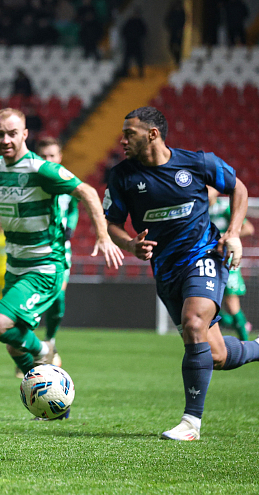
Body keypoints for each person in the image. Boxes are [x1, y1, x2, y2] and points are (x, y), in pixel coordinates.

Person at [104, 106, 259, 441]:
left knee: (193, 323)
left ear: (152, 134)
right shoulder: (122, 177)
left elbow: (239, 188)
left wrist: (233, 233)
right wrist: (130, 245)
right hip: (166, 270)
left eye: (129, 133)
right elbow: (112, 224)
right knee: (215, 355)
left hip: (204, 255)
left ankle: (191, 423)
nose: (123, 140)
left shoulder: (197, 163)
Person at [0, 108, 123, 396]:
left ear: (25, 134)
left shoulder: (42, 169)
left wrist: (103, 236)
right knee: (14, 345)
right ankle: (50, 399)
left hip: (45, 266)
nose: (6, 140)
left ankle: (45, 349)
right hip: (15, 267)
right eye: (0, 134)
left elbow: (88, 192)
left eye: (12, 134)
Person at [35, 137, 79, 369]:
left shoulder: (67, 180)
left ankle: (50, 342)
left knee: (58, 297)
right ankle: (29, 348)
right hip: (32, 249)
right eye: (43, 156)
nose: (48, 160)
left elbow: (74, 207)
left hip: (60, 249)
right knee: (32, 304)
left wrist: (70, 225)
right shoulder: (31, 181)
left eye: (52, 155)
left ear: (60, 157)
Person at [208, 185, 254, 340]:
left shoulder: (224, 208)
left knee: (231, 301)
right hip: (208, 261)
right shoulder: (200, 211)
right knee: (207, 304)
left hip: (227, 260)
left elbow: (248, 228)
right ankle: (240, 324)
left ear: (216, 190)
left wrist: (227, 235)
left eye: (209, 187)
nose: (206, 191)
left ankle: (245, 342)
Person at [120, 9, 147, 78]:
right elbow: (123, 31)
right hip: (130, 43)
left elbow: (144, 32)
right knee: (127, 59)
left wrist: (137, 37)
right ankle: (125, 72)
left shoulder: (140, 22)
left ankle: (140, 72)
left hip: (136, 43)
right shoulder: (130, 22)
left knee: (139, 59)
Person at [164, 0, 186, 65]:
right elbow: (167, 21)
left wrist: (180, 29)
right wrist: (170, 28)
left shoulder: (181, 12)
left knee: (179, 47)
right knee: (171, 46)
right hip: (173, 31)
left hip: (179, 32)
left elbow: (183, 21)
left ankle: (178, 60)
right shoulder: (172, 12)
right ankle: (177, 59)